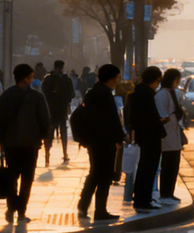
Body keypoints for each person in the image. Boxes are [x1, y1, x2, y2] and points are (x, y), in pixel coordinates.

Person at [0, 63, 51, 224]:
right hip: (31, 145)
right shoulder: (37, 97)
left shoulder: (7, 96)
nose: (32, 80)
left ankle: (12, 209)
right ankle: (21, 211)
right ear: (26, 78)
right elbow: (45, 121)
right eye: (31, 77)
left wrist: (0, 140)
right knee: (27, 178)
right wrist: (44, 138)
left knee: (12, 176)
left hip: (10, 144)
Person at [75, 64, 126, 221]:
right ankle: (100, 210)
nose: (118, 80)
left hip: (94, 141)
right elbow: (111, 119)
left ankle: (84, 205)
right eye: (117, 77)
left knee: (95, 174)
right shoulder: (104, 94)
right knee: (104, 176)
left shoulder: (93, 92)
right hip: (104, 142)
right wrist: (119, 138)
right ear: (111, 78)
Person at [126, 66, 166, 211]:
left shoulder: (137, 92)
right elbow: (150, 117)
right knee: (148, 168)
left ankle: (143, 198)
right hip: (150, 135)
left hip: (143, 135)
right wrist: (160, 124)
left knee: (145, 167)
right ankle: (143, 199)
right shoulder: (147, 94)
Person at [155, 68, 187, 203]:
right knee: (168, 165)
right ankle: (165, 193)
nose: (178, 83)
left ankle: (170, 192)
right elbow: (162, 114)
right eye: (177, 80)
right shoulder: (162, 95)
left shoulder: (172, 93)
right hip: (167, 135)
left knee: (174, 165)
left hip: (173, 133)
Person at [41, 59, 75, 165]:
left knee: (50, 133)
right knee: (62, 132)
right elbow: (71, 93)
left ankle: (48, 154)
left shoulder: (48, 78)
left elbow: (43, 93)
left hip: (52, 109)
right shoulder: (65, 79)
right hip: (60, 109)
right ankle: (63, 153)